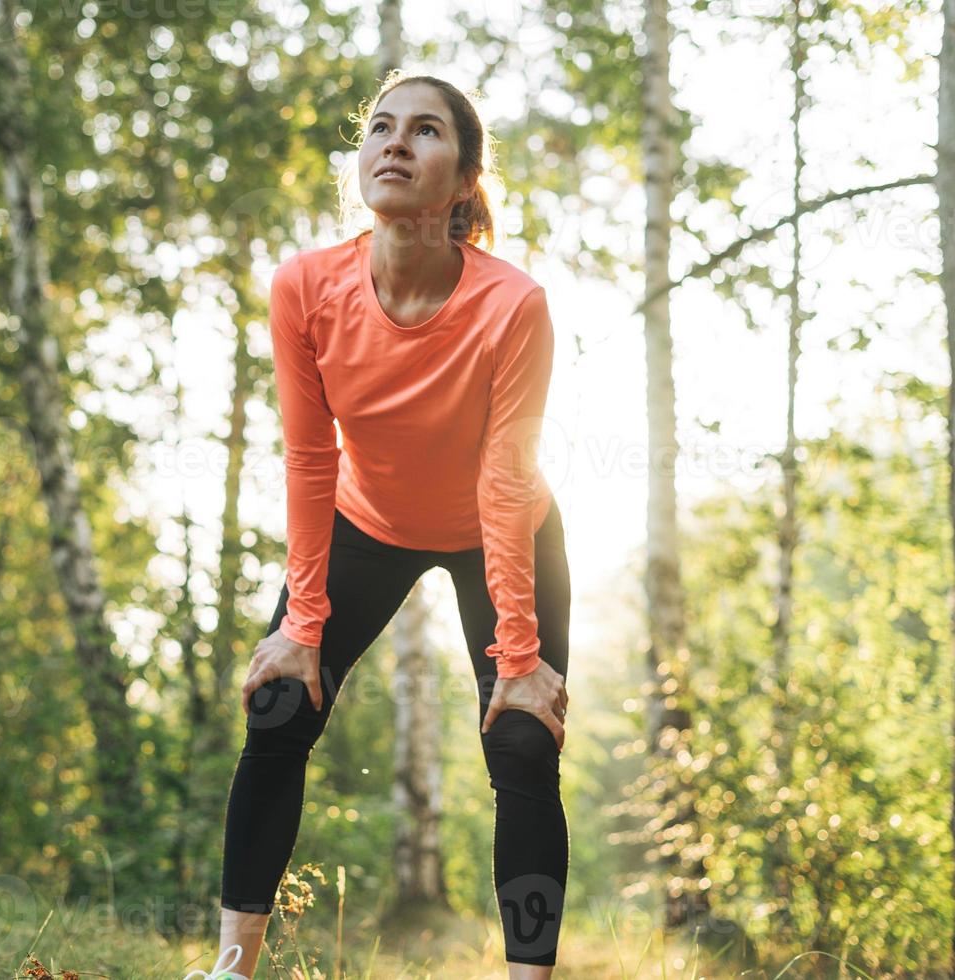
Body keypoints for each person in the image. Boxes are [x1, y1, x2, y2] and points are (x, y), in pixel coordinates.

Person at [191, 71, 572, 979]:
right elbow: (310, 459)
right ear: (361, 158)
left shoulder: (512, 303)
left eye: (427, 131)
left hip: (503, 530)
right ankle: (231, 969)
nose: (396, 143)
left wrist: (517, 661)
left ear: (467, 181)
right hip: (366, 521)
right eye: (381, 128)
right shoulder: (306, 286)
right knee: (281, 701)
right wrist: (301, 626)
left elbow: (505, 475)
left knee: (523, 737)